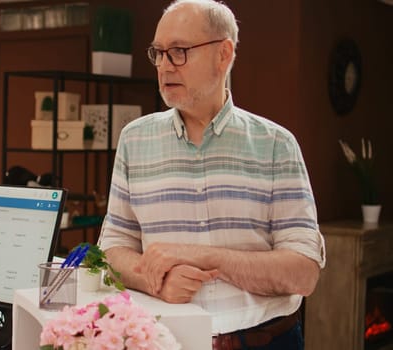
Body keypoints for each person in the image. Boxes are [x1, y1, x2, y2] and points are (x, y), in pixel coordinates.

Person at [98, 1, 325, 349]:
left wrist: (203, 255)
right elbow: (112, 249)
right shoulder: (134, 140)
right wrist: (154, 280)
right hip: (165, 340)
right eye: (158, 53)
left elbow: (304, 273)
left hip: (266, 340)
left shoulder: (276, 145)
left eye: (178, 52)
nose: (164, 66)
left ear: (224, 54)